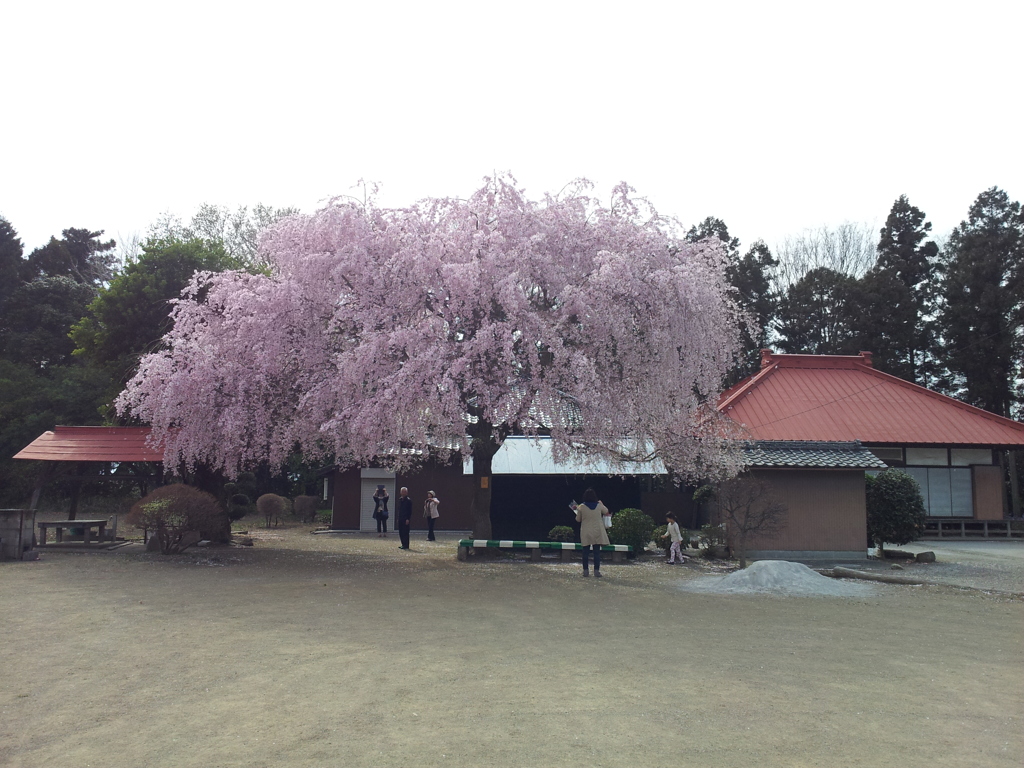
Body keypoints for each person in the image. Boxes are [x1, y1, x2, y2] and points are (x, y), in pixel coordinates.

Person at [573, 488, 610, 577]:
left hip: (586, 531)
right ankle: (596, 571)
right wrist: (602, 503)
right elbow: (606, 511)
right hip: (597, 530)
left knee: (585, 552)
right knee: (596, 552)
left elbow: (578, 520)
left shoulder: (581, 506)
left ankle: (585, 571)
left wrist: (577, 511)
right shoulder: (599, 505)